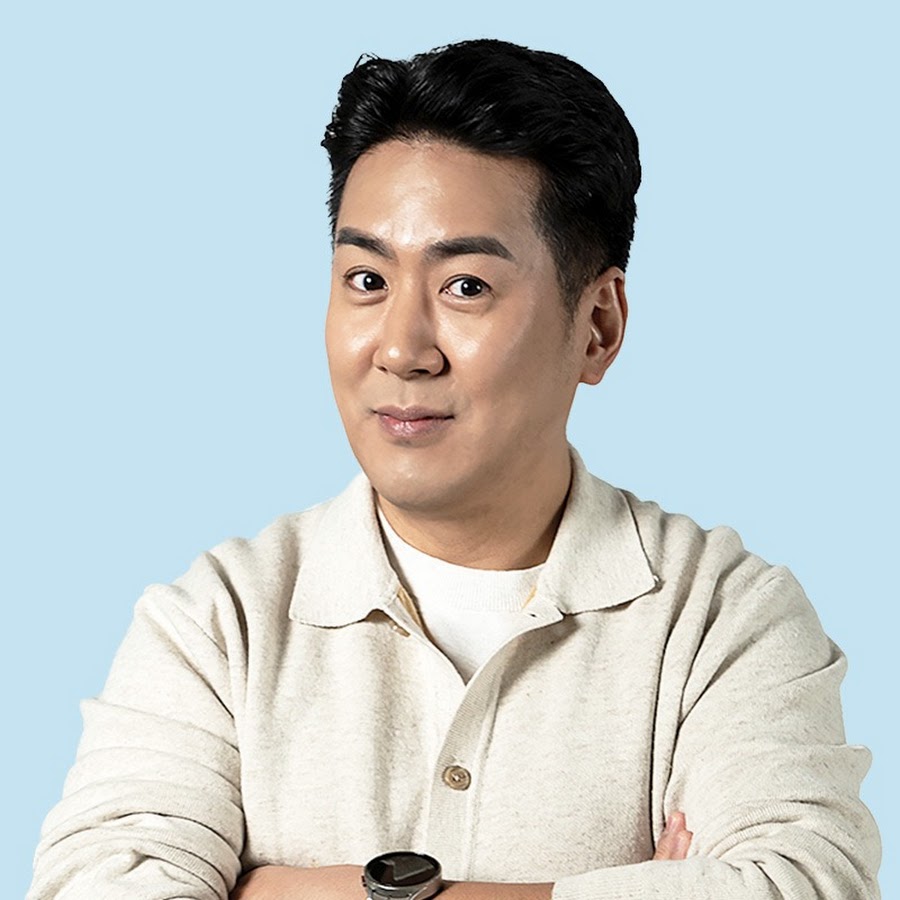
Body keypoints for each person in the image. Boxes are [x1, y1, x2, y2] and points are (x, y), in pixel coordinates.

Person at [29, 38, 880, 900]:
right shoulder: (219, 623)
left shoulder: (722, 619)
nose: (401, 348)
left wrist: (271, 889)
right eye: (367, 279)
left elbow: (808, 886)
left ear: (597, 327)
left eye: (465, 286)